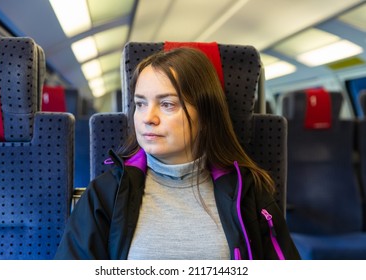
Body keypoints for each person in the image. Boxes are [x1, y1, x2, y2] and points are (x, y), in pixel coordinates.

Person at [54, 46, 300, 260]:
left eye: (167, 104)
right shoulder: (106, 193)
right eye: (140, 104)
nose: (148, 118)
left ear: (205, 114)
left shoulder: (248, 193)